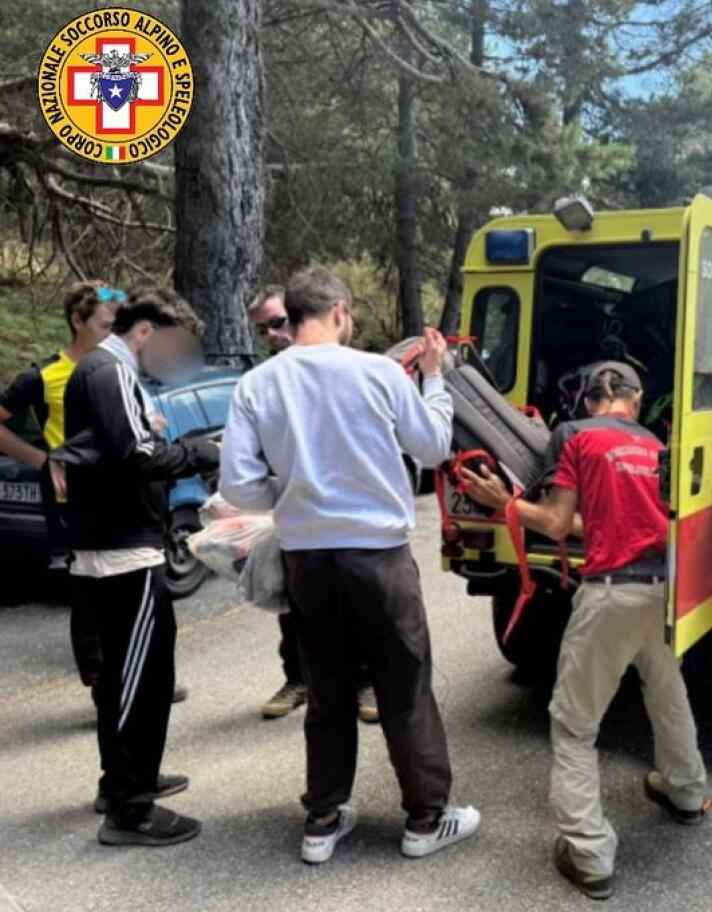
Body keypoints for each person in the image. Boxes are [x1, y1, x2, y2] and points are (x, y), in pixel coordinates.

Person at [220, 267, 479, 865]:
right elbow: (434, 447)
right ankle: (425, 819)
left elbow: (239, 483)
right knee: (403, 683)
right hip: (378, 555)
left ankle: (322, 820)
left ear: (293, 314)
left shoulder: (258, 384)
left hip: (307, 558)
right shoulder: (380, 372)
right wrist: (435, 379)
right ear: (339, 312)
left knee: (328, 687)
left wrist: (287, 497)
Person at [463, 361, 709, 902]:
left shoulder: (572, 436)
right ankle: (686, 792)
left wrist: (502, 504)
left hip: (611, 594)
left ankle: (589, 854)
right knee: (667, 693)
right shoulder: (653, 443)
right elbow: (601, 520)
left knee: (573, 726)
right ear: (636, 398)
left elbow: (554, 524)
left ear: (586, 399)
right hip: (666, 591)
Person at [57, 288, 220, 846]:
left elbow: (124, 448)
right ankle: (131, 811)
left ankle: (125, 782)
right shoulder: (111, 373)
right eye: (175, 345)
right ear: (147, 331)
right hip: (124, 550)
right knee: (143, 681)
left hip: (111, 546)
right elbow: (137, 456)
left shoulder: (106, 372)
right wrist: (204, 452)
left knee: (127, 679)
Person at [246, 286, 379, 723]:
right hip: (297, 519)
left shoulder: (351, 369)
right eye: (263, 327)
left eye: (278, 322)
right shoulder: (266, 380)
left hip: (356, 519)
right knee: (293, 605)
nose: (271, 333)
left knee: (359, 607)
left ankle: (365, 684)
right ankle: (299, 678)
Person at [0, 283, 117, 690]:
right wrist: (39, 459)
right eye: (105, 324)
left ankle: (139, 673)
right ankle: (102, 684)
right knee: (89, 590)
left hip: (120, 494)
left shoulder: (119, 365)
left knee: (127, 584)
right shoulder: (44, 374)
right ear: (77, 321)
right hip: (72, 500)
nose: (112, 332)